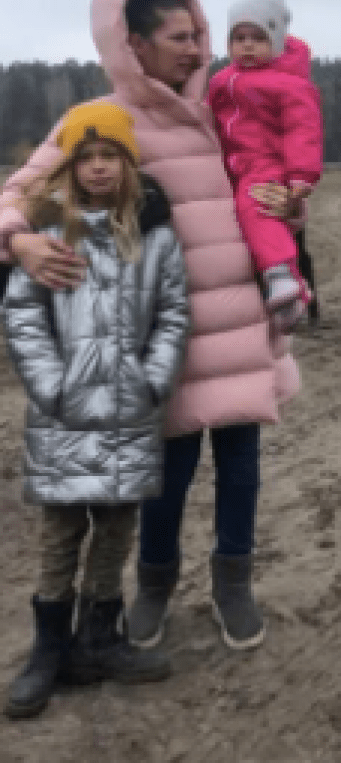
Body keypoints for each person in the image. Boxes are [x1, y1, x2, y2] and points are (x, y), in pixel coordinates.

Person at [0, 0, 304, 655]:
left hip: (239, 325)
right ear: (134, 43)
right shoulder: (102, 125)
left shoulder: (223, 113)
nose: (199, 49)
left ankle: (234, 583)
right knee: (164, 473)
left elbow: (265, 182)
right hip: (163, 338)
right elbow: (15, 192)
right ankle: (156, 587)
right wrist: (18, 241)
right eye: (180, 38)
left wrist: (291, 205)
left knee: (241, 462)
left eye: (200, 35)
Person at [2, 101, 189, 718]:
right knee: (61, 530)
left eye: (110, 156)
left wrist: (153, 379)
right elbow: (23, 315)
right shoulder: (50, 231)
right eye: (87, 159)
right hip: (63, 410)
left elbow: (172, 315)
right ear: (71, 167)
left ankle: (99, 639)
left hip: (132, 409)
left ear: (128, 164)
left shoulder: (155, 237)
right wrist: (51, 385)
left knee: (115, 527)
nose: (99, 169)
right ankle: (49, 650)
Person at [209, 0, 323, 333]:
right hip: (233, 167)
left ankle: (280, 275)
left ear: (276, 43)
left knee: (255, 207)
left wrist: (301, 176)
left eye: (258, 39)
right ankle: (292, 293)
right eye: (239, 38)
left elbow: (302, 129)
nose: (247, 46)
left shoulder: (288, 83)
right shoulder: (221, 80)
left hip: (265, 166)